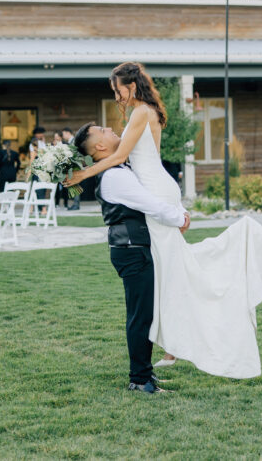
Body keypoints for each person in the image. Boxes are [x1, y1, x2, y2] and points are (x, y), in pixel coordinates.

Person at [68, 62, 262, 379]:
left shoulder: (139, 112)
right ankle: (172, 342)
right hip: (158, 185)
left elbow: (117, 158)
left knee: (172, 269)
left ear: (130, 86)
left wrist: (82, 174)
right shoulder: (148, 111)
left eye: (117, 88)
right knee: (171, 266)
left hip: (155, 191)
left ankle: (178, 338)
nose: (115, 94)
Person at [75, 120, 190, 394]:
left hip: (134, 247)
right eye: (104, 130)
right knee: (140, 316)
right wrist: (179, 218)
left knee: (144, 314)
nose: (112, 129)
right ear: (100, 146)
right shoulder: (114, 176)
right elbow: (148, 203)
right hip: (131, 249)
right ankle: (139, 379)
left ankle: (144, 373)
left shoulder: (117, 169)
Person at [61, 127, 81, 210]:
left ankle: (76, 204)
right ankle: (75, 203)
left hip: (74, 166)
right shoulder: (70, 142)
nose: (63, 136)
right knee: (73, 184)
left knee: (75, 184)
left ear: (67, 133)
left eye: (63, 134)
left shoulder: (74, 141)